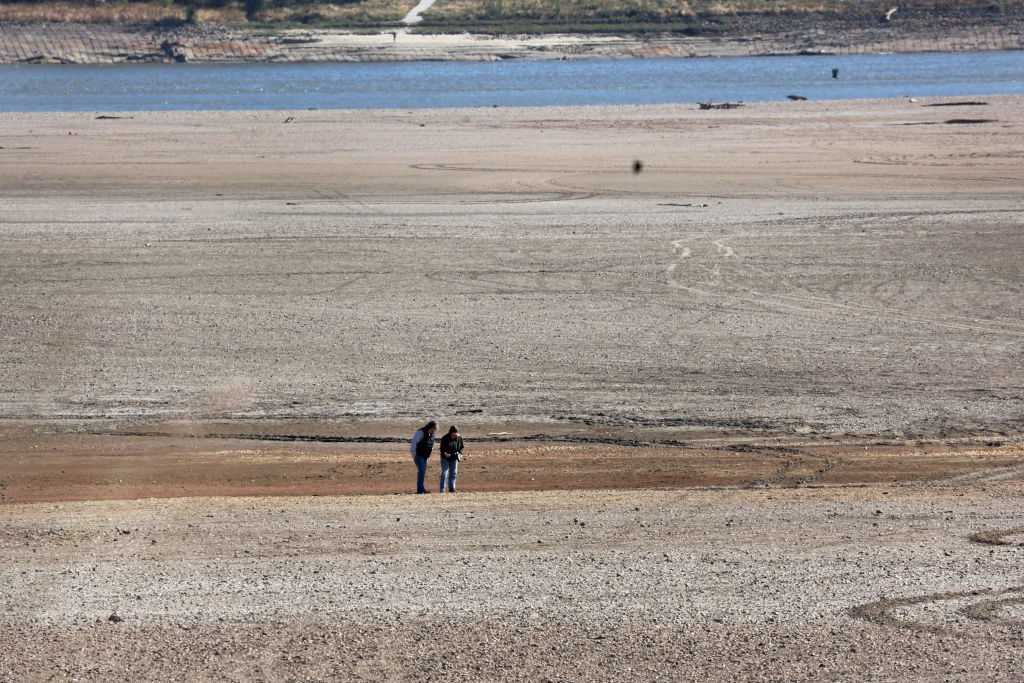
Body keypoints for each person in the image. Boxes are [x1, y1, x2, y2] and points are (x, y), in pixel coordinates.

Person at [410, 421, 436, 494]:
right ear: (429, 427)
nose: (433, 431)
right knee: (422, 470)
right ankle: (420, 489)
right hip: (418, 455)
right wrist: (413, 452)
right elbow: (414, 442)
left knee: (422, 471)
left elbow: (430, 444)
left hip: (425, 456)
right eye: (432, 429)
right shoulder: (421, 432)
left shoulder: (432, 434)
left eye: (434, 430)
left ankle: (421, 489)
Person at [438, 425, 464, 493]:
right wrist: (445, 454)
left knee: (454, 473)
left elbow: (461, 447)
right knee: (445, 473)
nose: (455, 436)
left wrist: (459, 453)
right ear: (451, 433)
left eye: (456, 434)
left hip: (454, 458)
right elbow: (442, 449)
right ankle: (442, 489)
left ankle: (452, 488)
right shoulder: (445, 438)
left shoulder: (459, 438)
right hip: (445, 458)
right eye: (454, 434)